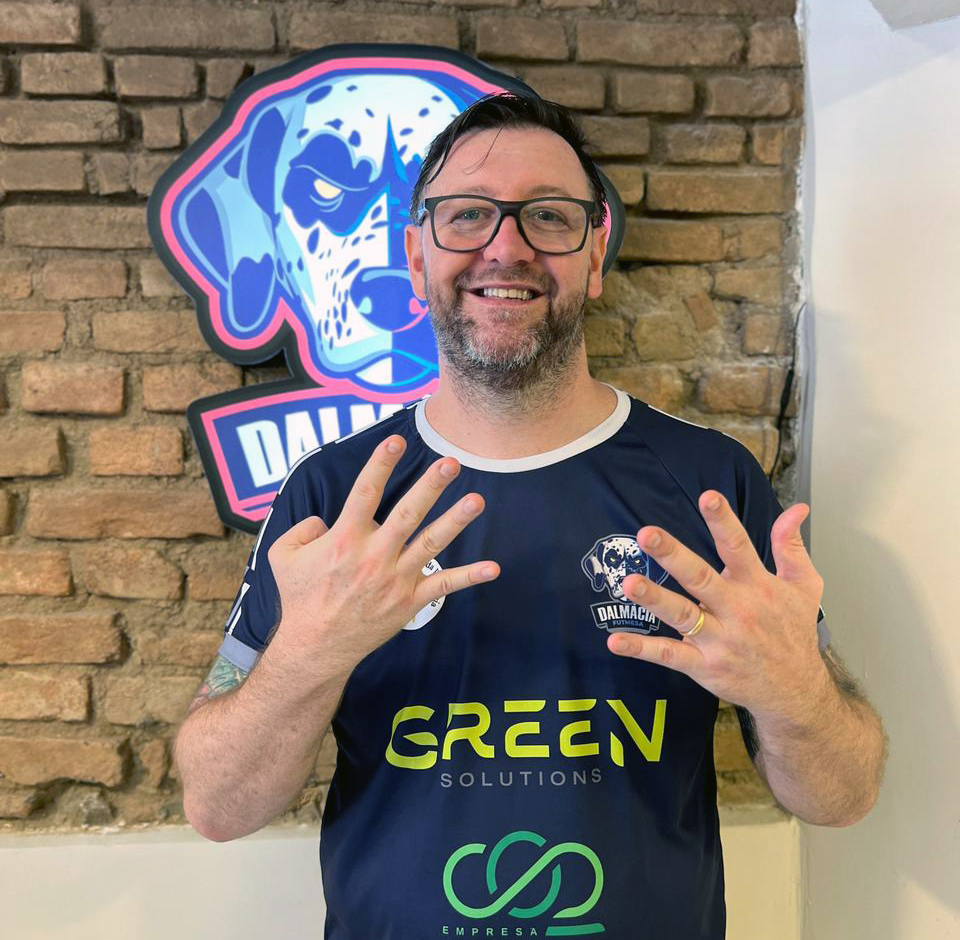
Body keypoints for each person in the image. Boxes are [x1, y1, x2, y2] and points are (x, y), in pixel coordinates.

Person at [174, 93, 887, 938]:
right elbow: (218, 806)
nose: (505, 247)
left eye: (547, 216)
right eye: (466, 215)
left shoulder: (710, 486)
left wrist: (794, 692)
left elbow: (844, 797)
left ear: (594, 254)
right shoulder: (337, 496)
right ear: (416, 255)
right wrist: (309, 653)